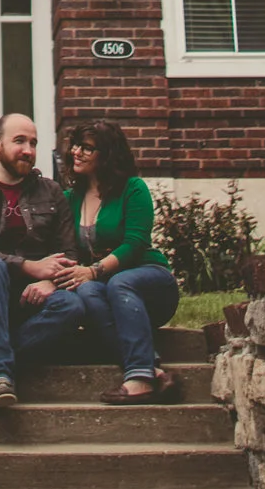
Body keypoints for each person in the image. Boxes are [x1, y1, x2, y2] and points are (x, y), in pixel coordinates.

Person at [0, 112, 84, 408]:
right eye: (19, 141)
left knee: (72, 306)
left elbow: (69, 253)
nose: (28, 150)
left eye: (33, 143)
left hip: (30, 301)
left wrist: (49, 282)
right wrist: (29, 267)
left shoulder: (51, 191)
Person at [54, 120, 181, 402]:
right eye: (75, 145)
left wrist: (94, 270)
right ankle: (153, 371)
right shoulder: (70, 198)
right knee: (86, 291)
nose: (77, 152)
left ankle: (138, 379)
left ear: (107, 154)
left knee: (119, 283)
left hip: (150, 281)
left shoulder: (133, 189)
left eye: (87, 148)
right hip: (108, 289)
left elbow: (134, 244)